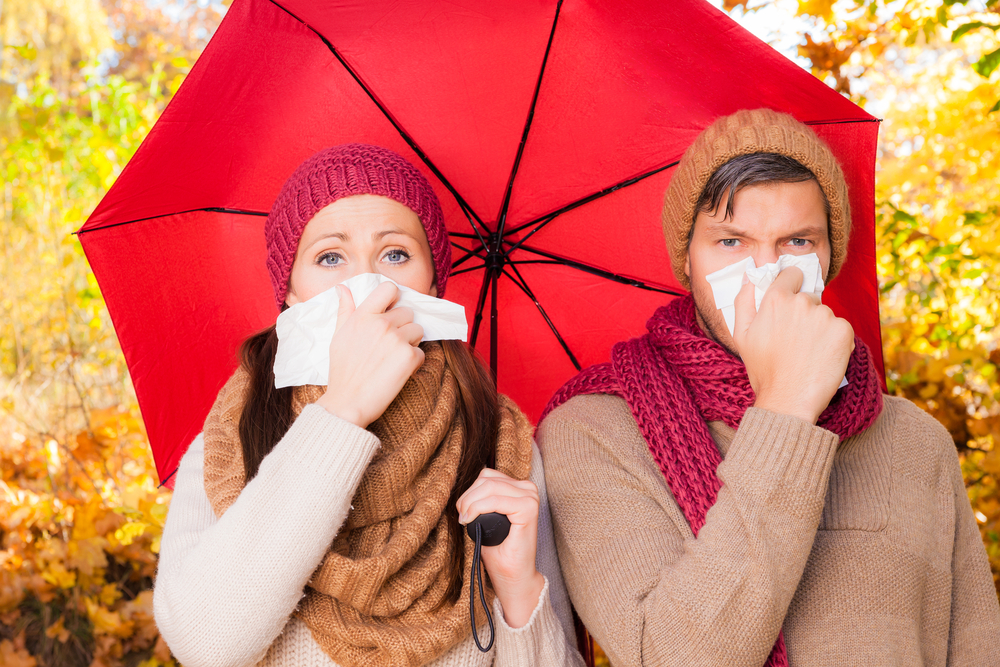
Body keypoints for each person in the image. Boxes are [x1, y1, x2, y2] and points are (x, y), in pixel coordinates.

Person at [537, 109, 1000, 666]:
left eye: (797, 241)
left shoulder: (914, 441)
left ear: (830, 256)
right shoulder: (593, 433)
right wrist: (786, 407)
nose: (767, 271)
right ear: (688, 258)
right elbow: (672, 658)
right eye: (731, 242)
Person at [153, 144, 583, 667]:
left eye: (396, 254)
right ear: (289, 292)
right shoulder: (232, 439)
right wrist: (342, 414)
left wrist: (517, 591)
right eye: (330, 257)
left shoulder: (502, 444)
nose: (367, 285)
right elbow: (206, 644)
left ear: (432, 282)